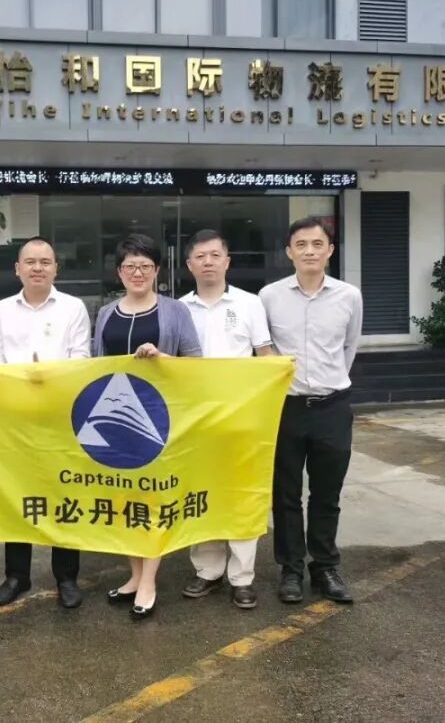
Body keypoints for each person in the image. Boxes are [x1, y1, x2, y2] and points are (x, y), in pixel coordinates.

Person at [94, 233, 201, 620]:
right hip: (113, 421)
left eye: (145, 266)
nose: (137, 273)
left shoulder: (175, 311)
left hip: (157, 419)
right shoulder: (106, 313)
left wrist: (162, 358)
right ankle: (134, 575)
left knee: (153, 500)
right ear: (119, 272)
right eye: (129, 266)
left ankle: (150, 580)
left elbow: (196, 364)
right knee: (123, 501)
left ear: (157, 270)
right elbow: (95, 363)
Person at [259, 217, 363, 605]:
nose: (309, 251)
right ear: (289, 252)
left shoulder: (349, 296)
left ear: (330, 251)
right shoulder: (269, 296)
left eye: (317, 244)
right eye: (301, 245)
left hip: (332, 407)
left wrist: (328, 382)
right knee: (285, 494)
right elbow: (263, 348)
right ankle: (291, 569)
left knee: (326, 493)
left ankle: (325, 567)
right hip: (285, 408)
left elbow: (349, 348)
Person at [0, 236, 92, 610]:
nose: (37, 268)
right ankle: (17, 575)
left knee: (65, 491)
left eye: (45, 262)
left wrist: (46, 375)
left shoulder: (73, 307)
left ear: (55, 269)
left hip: (60, 415)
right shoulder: (2, 309)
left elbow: (81, 358)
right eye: (30, 262)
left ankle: (66, 576)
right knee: (18, 493)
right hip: (15, 416)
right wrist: (18, 378)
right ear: (17, 268)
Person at [179, 229, 276, 610]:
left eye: (215, 255)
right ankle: (208, 570)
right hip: (196, 420)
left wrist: (282, 369)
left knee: (240, 495)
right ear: (189, 265)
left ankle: (242, 577)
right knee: (201, 493)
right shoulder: (178, 309)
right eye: (200, 256)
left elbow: (264, 353)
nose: (208, 262)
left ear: (227, 261)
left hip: (241, 419)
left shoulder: (250, 304)